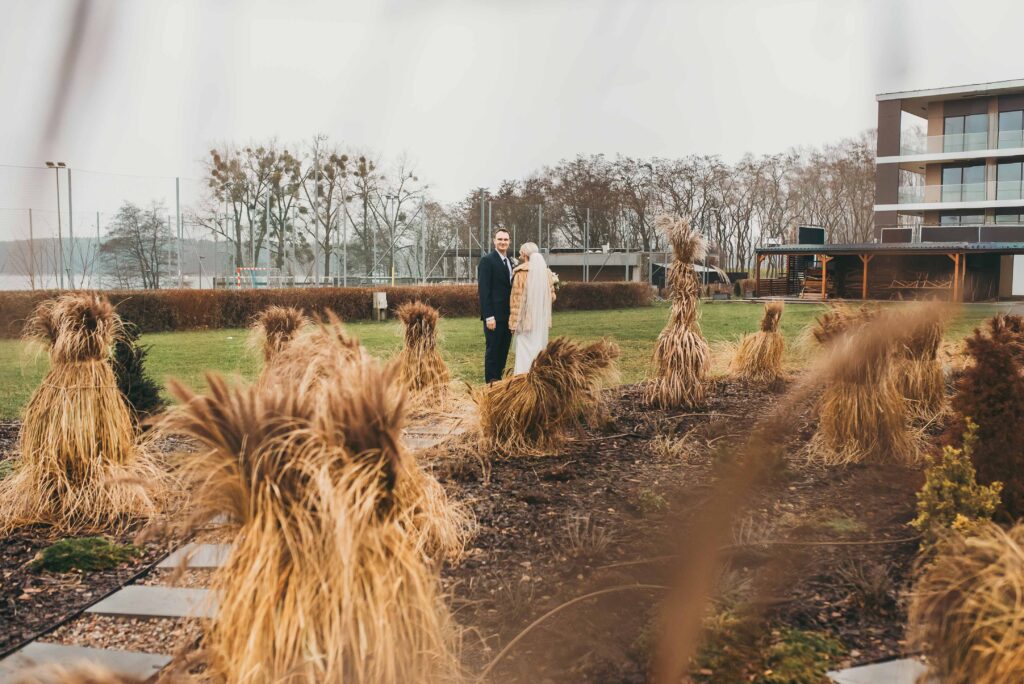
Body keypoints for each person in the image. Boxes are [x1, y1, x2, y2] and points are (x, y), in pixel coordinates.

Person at [509, 242, 556, 374]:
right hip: (540, 320)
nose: (519, 254)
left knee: (524, 351)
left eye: (520, 251)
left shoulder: (520, 273)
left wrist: (513, 324)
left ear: (524, 254)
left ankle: (522, 377)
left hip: (524, 321)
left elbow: (516, 301)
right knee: (538, 350)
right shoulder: (546, 273)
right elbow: (552, 297)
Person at [478, 228, 514, 383]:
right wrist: (489, 316)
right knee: (493, 352)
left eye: (505, 240)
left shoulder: (510, 262)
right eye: (500, 239)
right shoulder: (487, 261)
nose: (503, 242)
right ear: (494, 241)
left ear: (509, 242)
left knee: (503, 351)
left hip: (508, 316)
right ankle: (491, 386)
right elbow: (484, 290)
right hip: (494, 317)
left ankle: (499, 383)